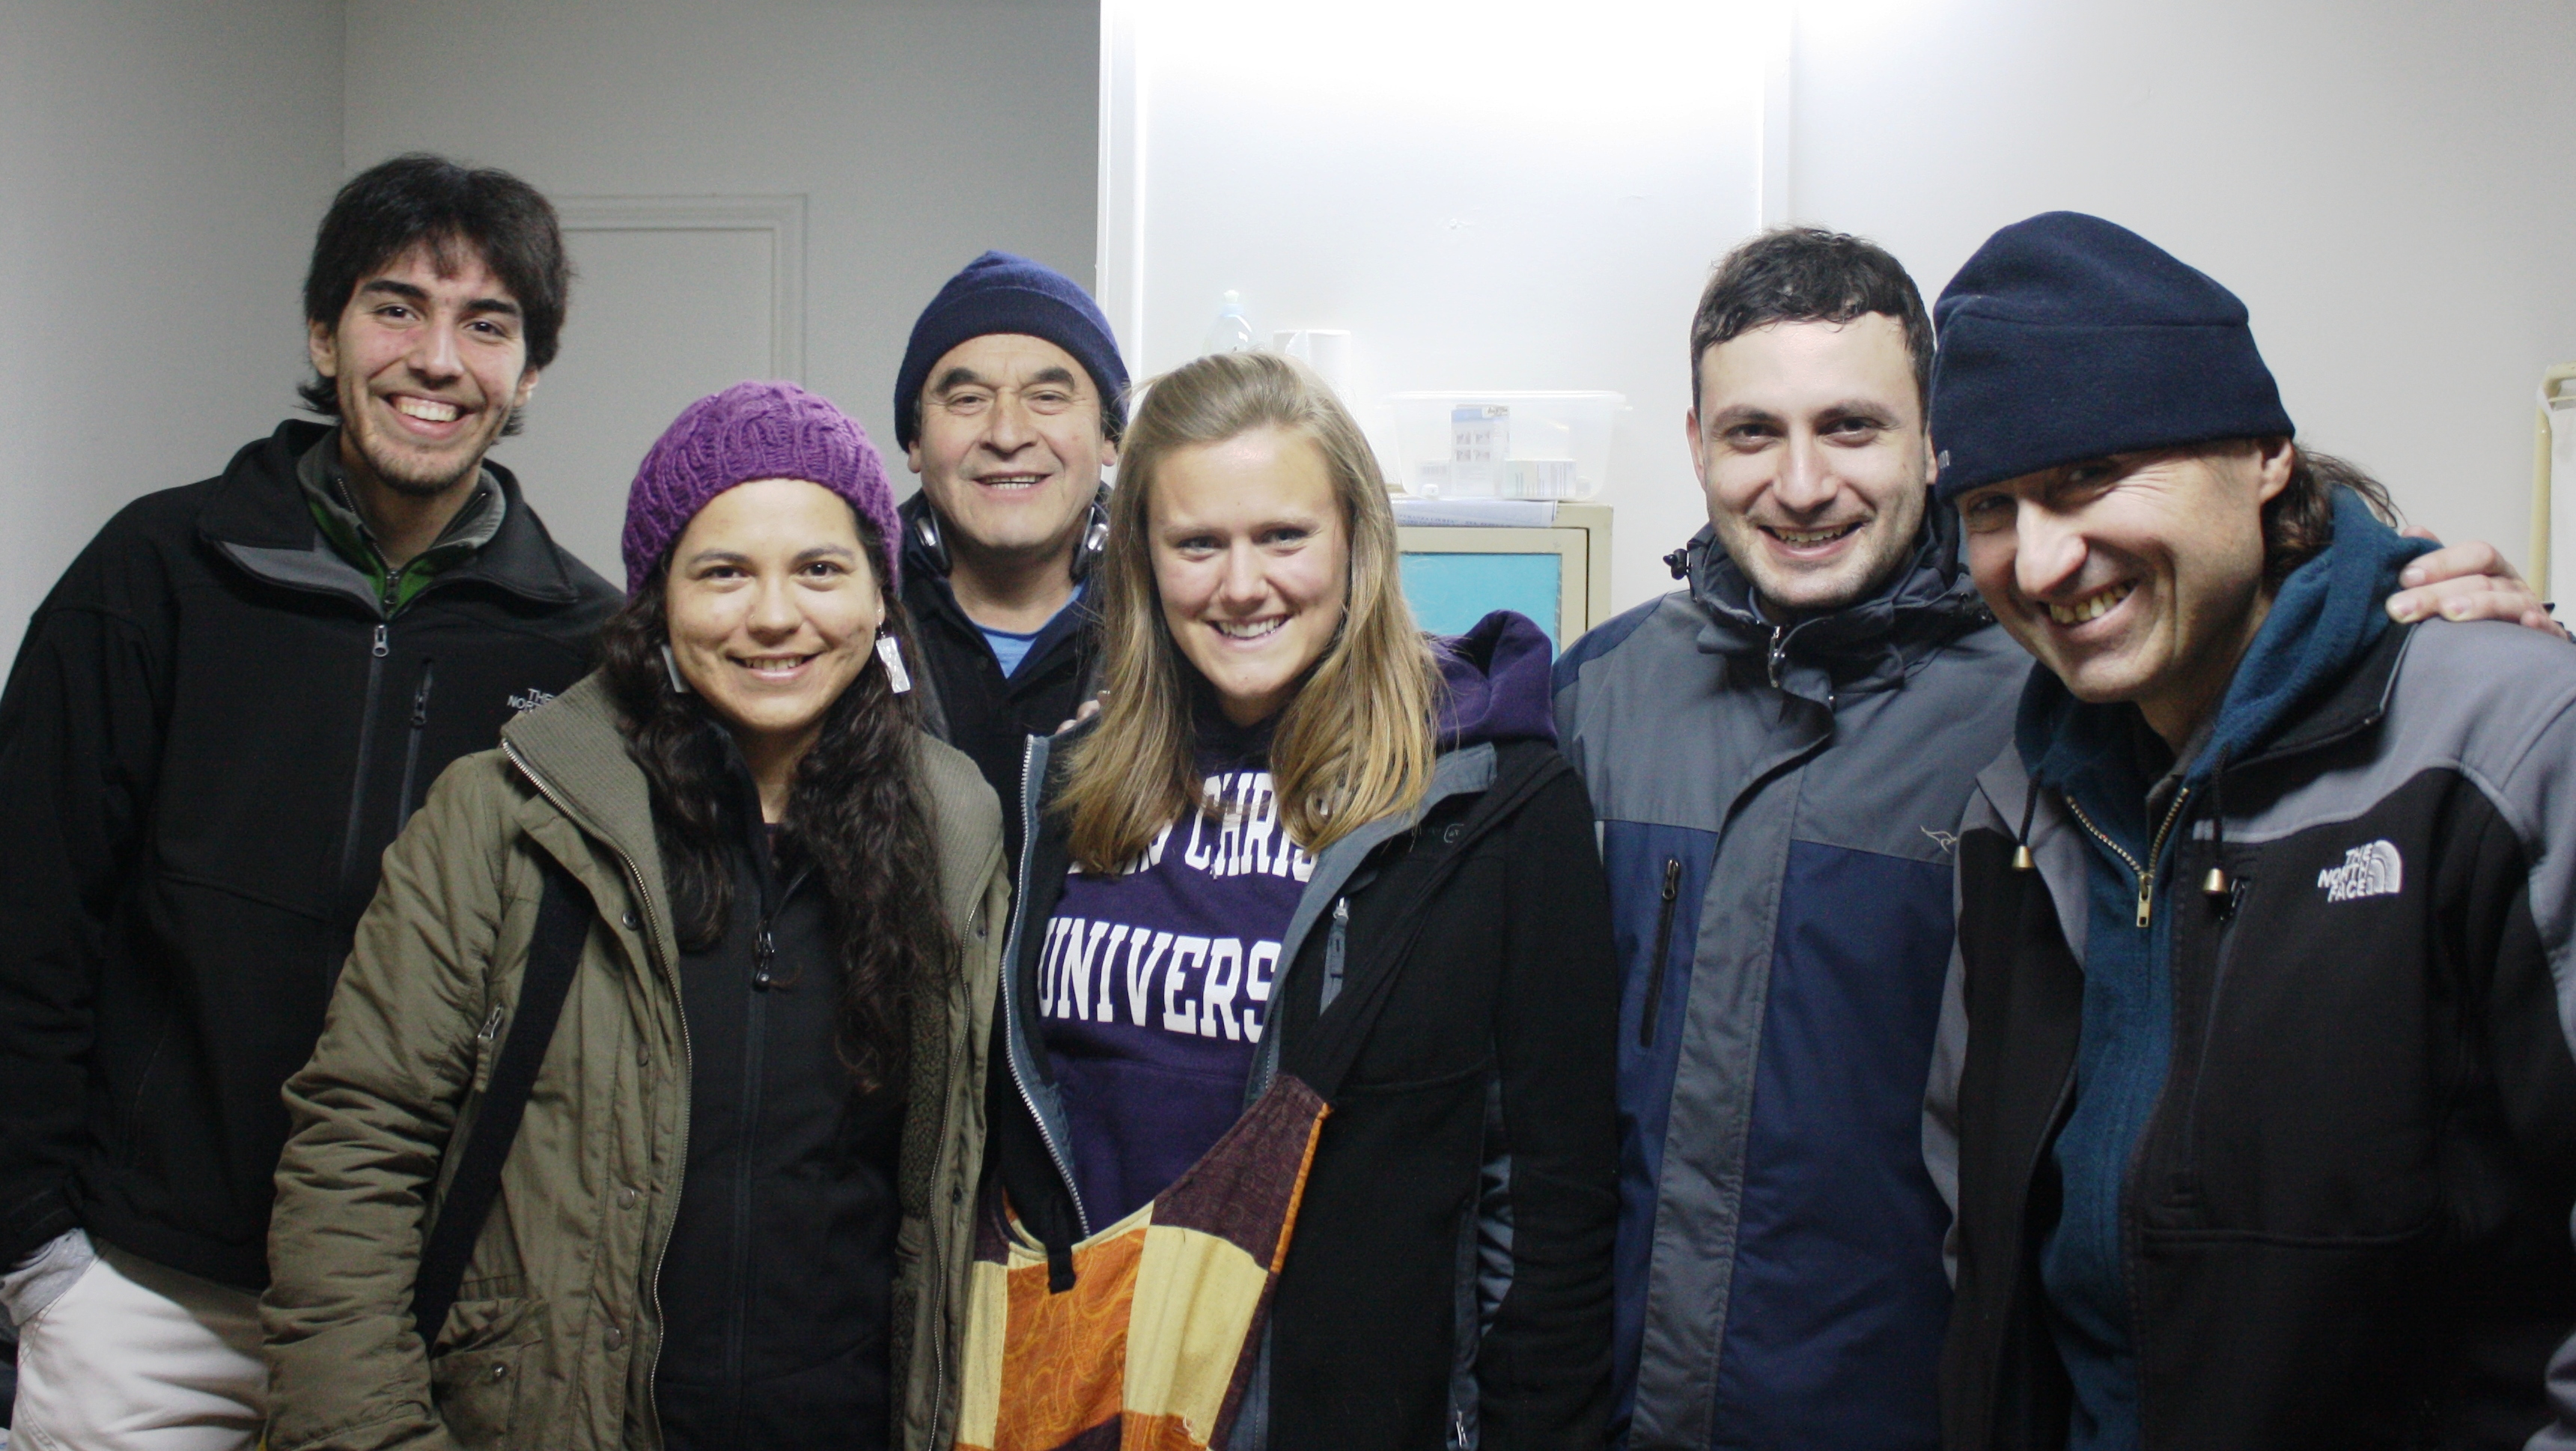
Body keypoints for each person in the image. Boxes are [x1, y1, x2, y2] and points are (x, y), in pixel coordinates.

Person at [1550, 227, 2555, 1449]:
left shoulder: (2063, 698)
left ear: (1932, 440)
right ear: (1697, 441)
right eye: (1753, 431)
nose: (1802, 484)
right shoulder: (1606, 700)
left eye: (1852, 427)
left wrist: (2415, 613)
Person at [1927, 212, 2576, 1450]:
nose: (2043, 560)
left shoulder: (2504, 743)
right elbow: (1988, 1253)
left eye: (2089, 475)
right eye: (1992, 505)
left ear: (2267, 454)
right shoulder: (2019, 809)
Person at [0, 153, 616, 1446]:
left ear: (529, 373)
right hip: (143, 1300)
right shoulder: (157, 572)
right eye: (396, 307)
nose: (435, 358)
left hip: (425, 1314)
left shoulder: (583, 646)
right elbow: (26, 915)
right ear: (325, 332)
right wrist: (39, 1256)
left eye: (486, 323)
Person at [262, 382, 1006, 1450]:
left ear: (880, 598)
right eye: (723, 572)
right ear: (656, 603)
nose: (775, 615)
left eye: (819, 569)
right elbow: (355, 1152)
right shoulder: (508, 817)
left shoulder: (954, 833)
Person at [966, 350, 1618, 1451]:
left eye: (1282, 536)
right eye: (1197, 544)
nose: (1241, 584)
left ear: (1356, 539)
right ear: (1142, 560)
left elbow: (1548, 1207)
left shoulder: (1487, 799)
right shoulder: (1066, 788)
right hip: (1082, 1405)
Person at [892, 250, 1130, 862]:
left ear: (1108, 435)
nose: (1006, 434)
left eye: (1047, 397)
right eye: (967, 400)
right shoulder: (839, 611)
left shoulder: (1182, 608)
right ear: (915, 440)